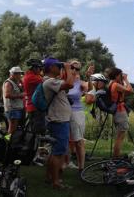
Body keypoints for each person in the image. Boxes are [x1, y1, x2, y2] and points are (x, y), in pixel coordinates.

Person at [43, 57, 75, 189]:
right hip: (59, 120)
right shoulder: (49, 81)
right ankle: (56, 182)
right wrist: (68, 68)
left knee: (55, 151)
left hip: (58, 119)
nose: (60, 67)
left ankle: (50, 177)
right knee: (58, 152)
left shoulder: (52, 81)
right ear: (51, 68)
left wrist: (66, 71)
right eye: (58, 65)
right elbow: (70, 85)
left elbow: (66, 85)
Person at [66, 60, 94, 173]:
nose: (74, 70)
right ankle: (66, 163)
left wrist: (89, 77)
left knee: (78, 141)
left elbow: (90, 89)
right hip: (63, 112)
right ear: (68, 67)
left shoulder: (80, 82)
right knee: (66, 140)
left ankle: (81, 167)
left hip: (76, 113)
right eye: (72, 67)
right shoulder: (64, 80)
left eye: (77, 69)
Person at [108, 67, 133, 157]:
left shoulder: (112, 83)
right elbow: (130, 90)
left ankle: (116, 158)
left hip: (117, 112)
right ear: (116, 75)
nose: (121, 77)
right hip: (120, 112)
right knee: (120, 137)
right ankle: (116, 159)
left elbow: (124, 93)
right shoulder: (116, 85)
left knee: (119, 136)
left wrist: (122, 81)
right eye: (120, 75)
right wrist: (126, 79)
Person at [22, 58, 45, 134]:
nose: (40, 70)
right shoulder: (31, 77)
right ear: (34, 68)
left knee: (36, 129)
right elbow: (45, 80)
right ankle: (36, 145)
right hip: (35, 107)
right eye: (39, 68)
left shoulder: (28, 75)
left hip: (32, 106)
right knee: (37, 131)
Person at [2, 66, 24, 134]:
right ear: (13, 74)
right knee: (12, 128)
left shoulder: (16, 82)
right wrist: (20, 95)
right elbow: (7, 95)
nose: (20, 75)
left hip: (16, 108)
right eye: (18, 74)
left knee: (15, 128)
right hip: (12, 109)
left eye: (20, 74)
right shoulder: (8, 83)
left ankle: (12, 142)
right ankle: (7, 142)